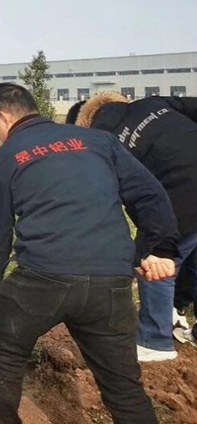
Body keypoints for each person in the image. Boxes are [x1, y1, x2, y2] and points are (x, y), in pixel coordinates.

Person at [0, 83, 178, 424]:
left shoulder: (3, 159)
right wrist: (153, 249)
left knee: (1, 343)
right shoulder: (99, 141)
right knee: (124, 388)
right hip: (111, 283)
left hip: (43, 279)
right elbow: (151, 196)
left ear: (2, 117)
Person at [76, 91, 197, 361]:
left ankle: (155, 341)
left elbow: (109, 194)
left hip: (181, 194)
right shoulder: (155, 103)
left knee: (153, 261)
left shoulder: (102, 140)